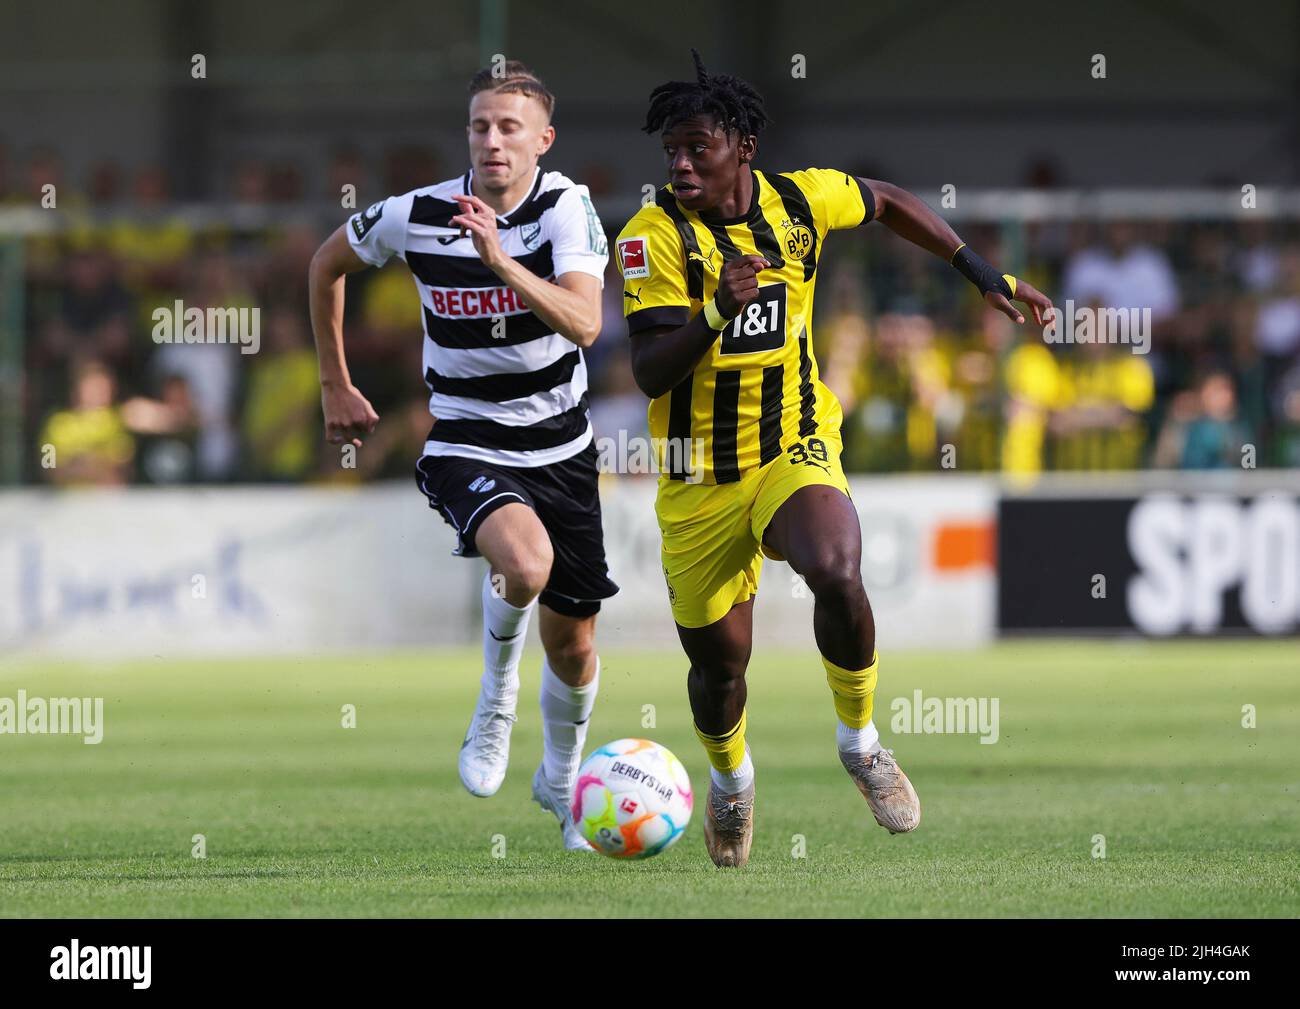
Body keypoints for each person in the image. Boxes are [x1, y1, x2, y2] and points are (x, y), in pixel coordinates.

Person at [617, 52, 1052, 867]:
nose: (679, 165)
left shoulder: (799, 200)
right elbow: (649, 368)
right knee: (721, 669)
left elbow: (885, 202)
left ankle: (860, 743)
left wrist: (981, 272)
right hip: (698, 477)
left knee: (836, 565)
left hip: (793, 442)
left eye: (696, 148)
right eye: (670, 151)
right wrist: (716, 308)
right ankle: (731, 779)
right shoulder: (651, 238)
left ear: (742, 146)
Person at [308, 61, 616, 850]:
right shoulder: (418, 213)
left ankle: (560, 780)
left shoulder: (567, 209)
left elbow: (584, 323)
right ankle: (494, 703)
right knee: (527, 561)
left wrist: (500, 263)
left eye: (509, 127)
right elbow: (325, 265)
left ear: (542, 139)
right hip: (465, 436)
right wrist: (334, 382)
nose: (491, 140)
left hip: (563, 445)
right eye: (480, 125)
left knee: (575, 643)